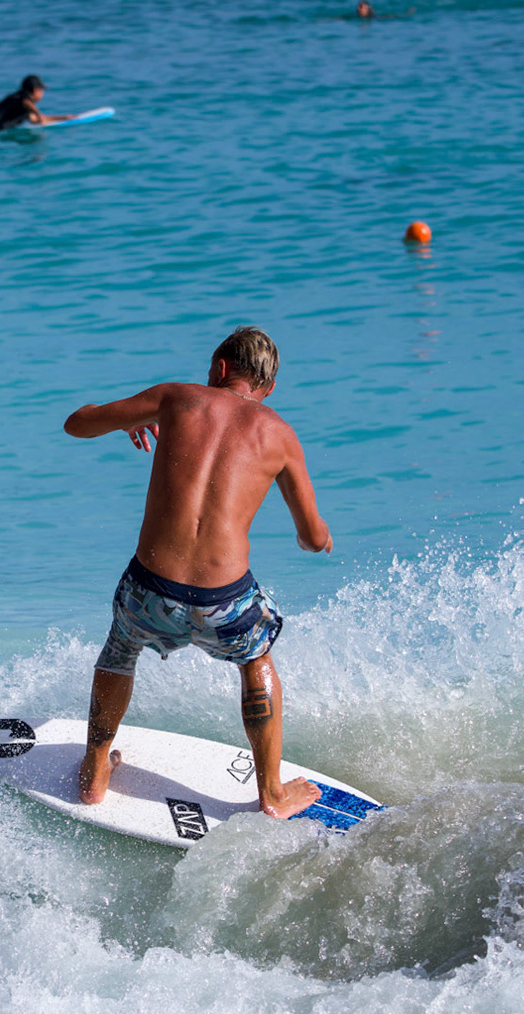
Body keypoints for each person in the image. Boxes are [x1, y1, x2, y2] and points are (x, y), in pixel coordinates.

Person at [65, 327, 333, 819]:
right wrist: (315, 537)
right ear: (267, 388)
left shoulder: (175, 398)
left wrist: (129, 421)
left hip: (149, 593)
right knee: (256, 661)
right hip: (224, 605)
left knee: (120, 650)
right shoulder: (280, 435)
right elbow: (313, 538)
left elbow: (76, 424)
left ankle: (95, 770)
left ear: (221, 368)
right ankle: (271, 793)